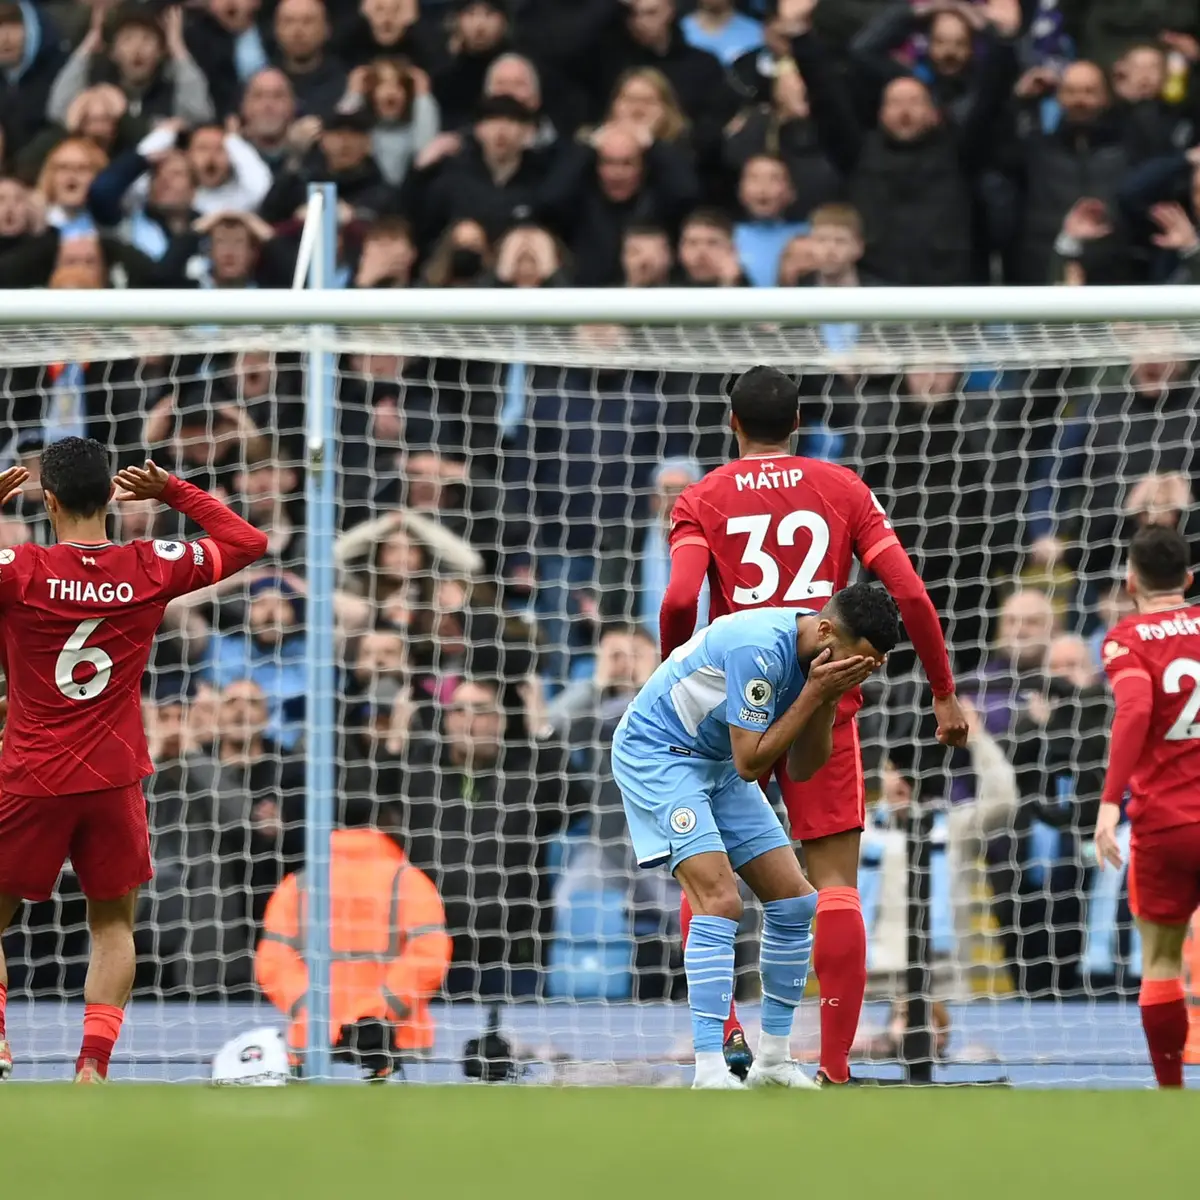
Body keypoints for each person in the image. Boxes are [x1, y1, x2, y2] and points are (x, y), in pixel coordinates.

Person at [659, 365, 967, 1085]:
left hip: (733, 698)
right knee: (833, 884)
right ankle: (832, 1066)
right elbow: (909, 593)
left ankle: (728, 1048)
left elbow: (678, 596)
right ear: (799, 421)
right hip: (828, 693)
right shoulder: (842, 487)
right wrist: (943, 691)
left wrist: (674, 663)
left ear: (730, 423)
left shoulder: (701, 497)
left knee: (707, 881)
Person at [0, 444, 267, 1083]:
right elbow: (248, 541)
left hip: (31, 776)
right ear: (116, 497)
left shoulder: (17, 568)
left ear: (49, 500)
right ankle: (92, 1068)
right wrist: (174, 490)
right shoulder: (149, 565)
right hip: (114, 777)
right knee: (114, 925)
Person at [612, 585, 900, 1088]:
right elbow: (751, 764)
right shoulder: (759, 648)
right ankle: (708, 1067)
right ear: (827, 631)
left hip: (714, 763)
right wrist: (813, 693)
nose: (859, 674)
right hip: (661, 755)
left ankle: (773, 1062)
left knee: (793, 903)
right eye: (859, 662)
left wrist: (825, 699)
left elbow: (805, 768)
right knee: (720, 901)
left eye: (870, 668)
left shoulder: (820, 663)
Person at [1095, 524, 1200, 1089]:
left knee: (1161, 960)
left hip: (1168, 824)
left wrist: (1110, 803)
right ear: (1188, 578)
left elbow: (1134, 711)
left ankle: (1170, 1094)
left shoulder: (1128, 638)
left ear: (1131, 580)